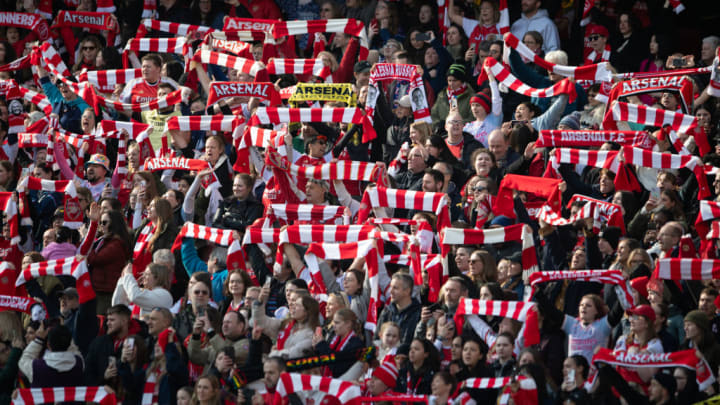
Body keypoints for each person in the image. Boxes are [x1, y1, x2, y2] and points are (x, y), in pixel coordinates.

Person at [376, 273, 422, 346]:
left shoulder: (419, 314)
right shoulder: (386, 311)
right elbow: (377, 338)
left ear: (407, 291)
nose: (390, 291)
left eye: (395, 288)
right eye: (391, 287)